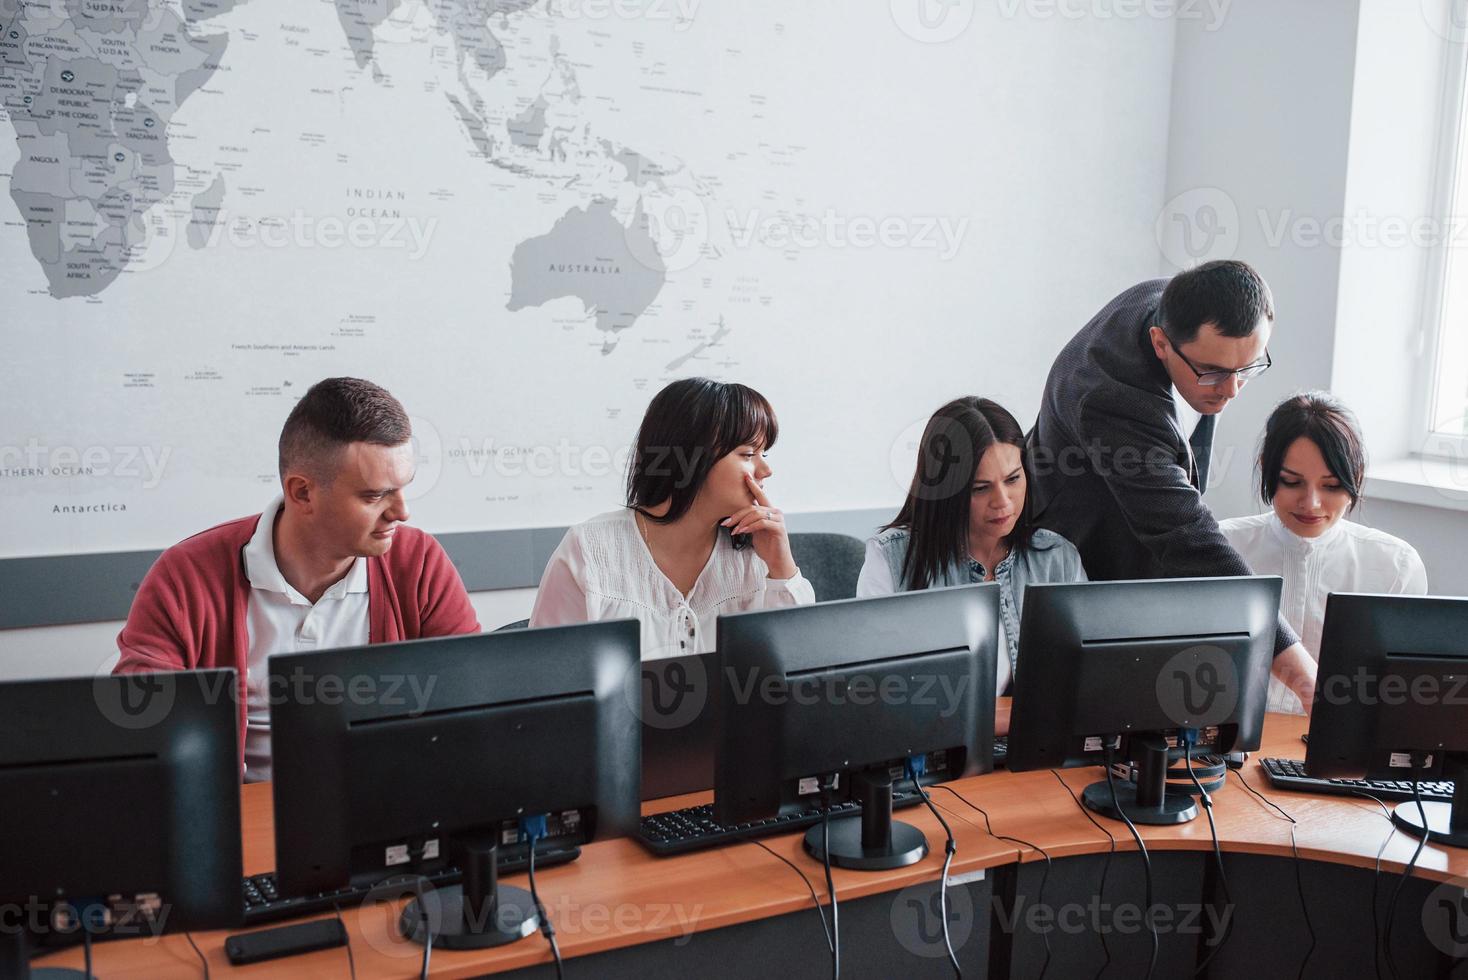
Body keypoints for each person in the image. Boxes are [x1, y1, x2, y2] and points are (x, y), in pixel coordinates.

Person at [114, 377, 480, 781]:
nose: (402, 512)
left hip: (380, 808)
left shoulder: (419, 562)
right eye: (374, 496)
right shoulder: (187, 575)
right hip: (241, 815)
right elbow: (142, 727)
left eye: (403, 489)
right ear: (303, 493)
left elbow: (474, 701)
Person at [1028, 259, 1319, 709]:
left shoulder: (1180, 305)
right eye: (1214, 373)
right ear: (1160, 344)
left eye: (1248, 367)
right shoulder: (1110, 398)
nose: (1233, 390)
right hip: (1080, 555)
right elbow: (1188, 537)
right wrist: (1301, 673)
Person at [530, 377, 814, 658]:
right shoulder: (589, 549)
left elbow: (801, 664)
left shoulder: (758, 551)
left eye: (764, 453)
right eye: (748, 453)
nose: (765, 470)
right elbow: (547, 676)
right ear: (690, 457)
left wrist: (782, 567)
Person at [858, 397, 1086, 732]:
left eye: (1013, 479)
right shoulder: (892, 558)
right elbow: (875, 694)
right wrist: (987, 719)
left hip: (1028, 754)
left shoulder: (1056, 557)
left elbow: (1082, 679)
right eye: (981, 488)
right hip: (930, 760)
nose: (1003, 502)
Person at [1220, 392, 1428, 713]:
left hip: (1338, 747)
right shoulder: (1224, 546)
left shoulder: (1395, 565)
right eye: (1292, 482)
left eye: (1331, 486)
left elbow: (1401, 692)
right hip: (1235, 744)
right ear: (1267, 470)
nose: (1311, 503)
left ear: (1355, 477)